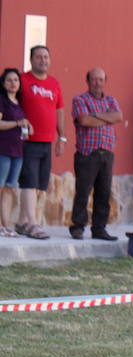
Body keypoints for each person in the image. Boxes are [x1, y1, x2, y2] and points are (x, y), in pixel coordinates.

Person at [16, 45, 64, 240]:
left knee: (37, 186)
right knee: (28, 182)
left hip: (47, 141)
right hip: (27, 140)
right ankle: (33, 224)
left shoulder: (54, 83)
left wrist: (62, 137)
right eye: (39, 57)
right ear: (31, 60)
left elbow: (59, 110)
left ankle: (22, 222)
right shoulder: (22, 80)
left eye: (46, 57)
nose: (43, 60)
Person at [69, 67, 122, 241]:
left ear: (105, 81)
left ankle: (99, 228)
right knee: (83, 192)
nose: (97, 83)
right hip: (87, 153)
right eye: (94, 79)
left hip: (106, 153)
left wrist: (96, 115)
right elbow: (84, 120)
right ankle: (77, 226)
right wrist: (107, 118)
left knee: (104, 193)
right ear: (87, 81)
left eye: (101, 79)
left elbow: (118, 117)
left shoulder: (111, 100)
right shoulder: (79, 99)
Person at [0, 68, 29, 237]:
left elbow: (21, 123)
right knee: (1, 186)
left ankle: (6, 225)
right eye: (9, 80)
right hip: (3, 150)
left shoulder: (19, 102)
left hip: (18, 152)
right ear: (3, 83)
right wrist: (18, 123)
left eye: (16, 80)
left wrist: (27, 126)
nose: (13, 83)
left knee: (10, 188)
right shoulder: (2, 100)